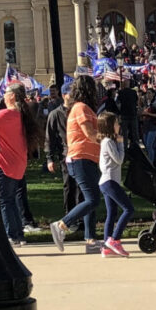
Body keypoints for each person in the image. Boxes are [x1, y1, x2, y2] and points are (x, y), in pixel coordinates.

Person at [49, 75, 103, 255]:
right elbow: (89, 134)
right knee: (92, 199)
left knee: (91, 199)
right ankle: (62, 224)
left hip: (86, 159)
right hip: (80, 158)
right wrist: (111, 137)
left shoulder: (80, 108)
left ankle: (90, 239)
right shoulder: (81, 108)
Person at [0, 82, 38, 246]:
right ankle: (19, 234)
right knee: (11, 199)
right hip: (18, 164)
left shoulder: (4, 115)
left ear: (11, 96)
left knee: (5, 200)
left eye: (5, 93)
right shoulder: (22, 116)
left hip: (4, 164)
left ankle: (11, 235)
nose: (3, 96)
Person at [96, 111, 134, 258]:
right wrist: (121, 144)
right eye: (116, 123)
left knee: (112, 213)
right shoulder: (109, 142)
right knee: (128, 209)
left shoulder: (108, 141)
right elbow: (119, 159)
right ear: (109, 126)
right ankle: (115, 239)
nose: (119, 126)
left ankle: (107, 246)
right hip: (109, 181)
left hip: (108, 181)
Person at [45, 88, 82, 224]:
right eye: (71, 94)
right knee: (69, 185)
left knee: (81, 186)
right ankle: (69, 217)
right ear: (64, 95)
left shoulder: (78, 111)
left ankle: (81, 216)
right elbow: (50, 139)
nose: (73, 97)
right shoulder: (55, 115)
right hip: (65, 154)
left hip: (80, 153)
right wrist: (50, 158)